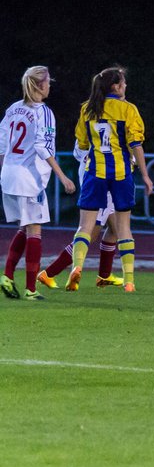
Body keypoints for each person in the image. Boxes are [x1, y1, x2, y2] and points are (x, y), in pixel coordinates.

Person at [67, 66, 154, 293]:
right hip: (121, 174)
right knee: (123, 227)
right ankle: (129, 281)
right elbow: (136, 144)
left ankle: (76, 268)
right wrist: (145, 175)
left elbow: (83, 144)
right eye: (123, 82)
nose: (125, 86)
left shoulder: (87, 109)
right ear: (116, 86)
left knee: (84, 226)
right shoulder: (128, 109)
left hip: (94, 172)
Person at [0, 67, 77, 301]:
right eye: (48, 82)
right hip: (28, 177)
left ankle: (7, 276)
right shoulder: (43, 111)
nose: (50, 86)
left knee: (24, 227)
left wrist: (4, 172)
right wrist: (62, 176)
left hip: (9, 175)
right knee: (35, 230)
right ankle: (31, 289)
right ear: (40, 85)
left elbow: (2, 145)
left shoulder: (13, 108)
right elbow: (43, 147)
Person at [37, 144, 125, 290]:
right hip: (101, 179)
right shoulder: (108, 123)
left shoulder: (87, 122)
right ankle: (49, 273)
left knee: (116, 228)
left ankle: (104, 275)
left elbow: (77, 151)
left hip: (102, 177)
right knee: (90, 234)